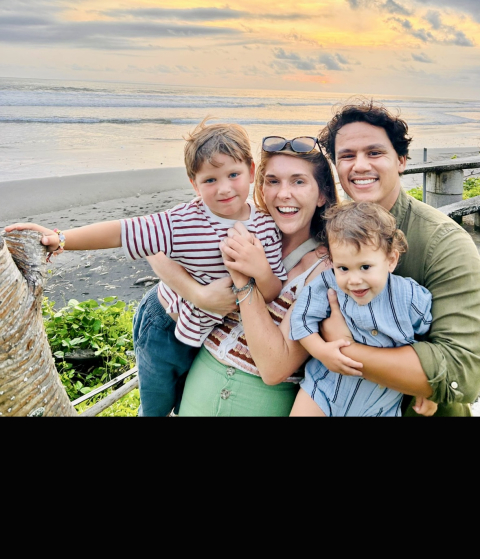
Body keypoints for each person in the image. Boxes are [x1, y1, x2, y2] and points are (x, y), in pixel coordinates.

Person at [4, 121, 287, 417]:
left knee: (184, 401)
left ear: (251, 171)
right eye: (210, 180)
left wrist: (261, 272)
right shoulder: (182, 222)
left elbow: (272, 290)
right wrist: (61, 238)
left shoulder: (265, 226)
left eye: (233, 175)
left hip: (208, 331)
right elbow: (121, 231)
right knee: (157, 406)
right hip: (164, 324)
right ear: (194, 184)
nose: (224, 188)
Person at [147, 135, 339, 416]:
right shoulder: (240, 218)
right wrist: (197, 294)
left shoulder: (327, 268)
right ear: (260, 186)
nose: (283, 193)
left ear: (322, 194)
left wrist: (245, 278)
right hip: (197, 386)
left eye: (298, 181)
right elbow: (154, 246)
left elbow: (274, 368)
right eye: (273, 181)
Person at [315, 100, 480, 417]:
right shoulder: (330, 231)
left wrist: (343, 347)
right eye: (347, 156)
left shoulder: (443, 243)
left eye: (374, 152)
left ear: (401, 160)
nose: (360, 165)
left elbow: (462, 374)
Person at [289, 200, 436, 416]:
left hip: (379, 405)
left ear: (391, 260)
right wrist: (321, 351)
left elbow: (430, 342)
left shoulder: (409, 297)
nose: (354, 280)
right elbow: (301, 319)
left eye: (365, 267)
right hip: (323, 391)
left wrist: (427, 387)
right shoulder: (327, 285)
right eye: (343, 268)